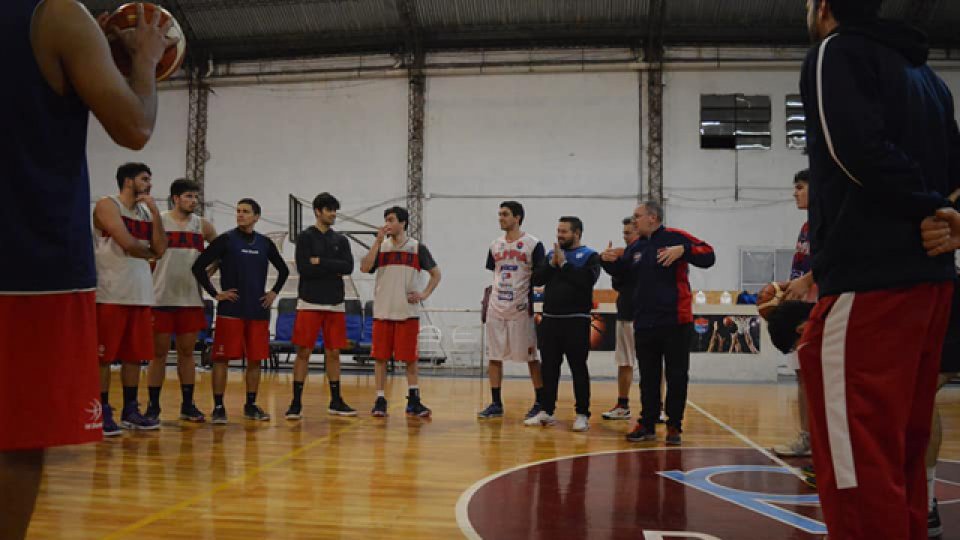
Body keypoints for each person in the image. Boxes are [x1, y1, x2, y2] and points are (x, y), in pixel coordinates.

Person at [1, 1, 174, 536]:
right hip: (26, 262)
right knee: (15, 434)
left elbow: (157, 248)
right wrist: (143, 58)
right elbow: (135, 124)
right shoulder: (54, 16)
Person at [800, 1, 960, 537]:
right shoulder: (929, 79)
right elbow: (954, 169)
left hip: (869, 285)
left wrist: (923, 205)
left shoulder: (835, 51)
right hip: (930, 284)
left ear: (823, 8)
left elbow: (855, 151)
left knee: (859, 468)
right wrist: (947, 212)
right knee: (902, 459)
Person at [602, 200, 715, 445]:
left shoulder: (675, 236)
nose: (634, 221)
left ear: (652, 217)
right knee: (649, 377)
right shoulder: (636, 247)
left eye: (637, 216)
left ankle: (674, 425)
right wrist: (607, 260)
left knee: (677, 375)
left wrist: (683, 251)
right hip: (644, 322)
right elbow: (622, 272)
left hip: (676, 320)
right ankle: (648, 423)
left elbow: (709, 255)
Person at [192, 199, 289, 424]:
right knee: (221, 359)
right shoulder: (225, 240)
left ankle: (251, 404)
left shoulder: (264, 243)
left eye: (246, 212)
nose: (240, 215)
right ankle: (218, 407)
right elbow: (198, 267)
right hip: (231, 310)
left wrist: (273, 292)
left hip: (257, 310)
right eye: (238, 211)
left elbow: (283, 270)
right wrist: (216, 294)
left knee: (255, 360)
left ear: (256, 216)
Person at [93, 162, 168, 435]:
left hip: (140, 293)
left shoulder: (146, 213)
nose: (149, 184)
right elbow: (127, 243)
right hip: (110, 292)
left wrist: (157, 213)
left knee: (134, 357)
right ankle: (100, 411)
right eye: (144, 179)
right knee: (103, 357)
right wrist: (150, 252)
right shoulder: (107, 204)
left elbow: (161, 247)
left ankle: (130, 410)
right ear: (128, 181)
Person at [146, 178, 217, 423]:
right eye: (188, 196)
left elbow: (221, 251)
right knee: (159, 354)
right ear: (176, 197)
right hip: (160, 297)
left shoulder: (203, 226)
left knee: (188, 353)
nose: (193, 201)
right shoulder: (159, 221)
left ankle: (188, 405)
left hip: (191, 299)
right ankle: (153, 407)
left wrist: (212, 269)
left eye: (196, 197)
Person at [359, 207, 441, 418]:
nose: (387, 223)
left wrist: (423, 294)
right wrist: (376, 242)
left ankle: (414, 400)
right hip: (383, 311)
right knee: (380, 358)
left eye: (391, 219)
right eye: (385, 219)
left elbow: (436, 274)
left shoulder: (416, 248)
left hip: (407, 312)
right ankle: (379, 399)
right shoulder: (382, 247)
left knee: (410, 359)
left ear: (403, 223)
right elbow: (364, 268)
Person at [525, 216, 600, 432]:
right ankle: (547, 411)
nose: (559, 235)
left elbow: (586, 282)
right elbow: (537, 279)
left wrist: (564, 265)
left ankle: (582, 414)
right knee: (549, 369)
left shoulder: (590, 256)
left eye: (564, 231)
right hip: (550, 320)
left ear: (577, 233)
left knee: (578, 369)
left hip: (577, 321)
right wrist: (552, 264)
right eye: (558, 231)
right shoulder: (551, 255)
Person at [285, 192, 356, 420]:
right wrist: (329, 267)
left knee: (334, 352)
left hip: (335, 303)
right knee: (303, 352)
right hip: (309, 302)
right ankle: (296, 402)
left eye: (335, 210)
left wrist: (321, 262)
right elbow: (305, 269)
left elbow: (348, 267)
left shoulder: (341, 240)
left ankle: (336, 400)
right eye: (329, 210)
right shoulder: (305, 237)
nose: (333, 214)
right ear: (318, 211)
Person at [477, 201, 547, 420]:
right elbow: (494, 272)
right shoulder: (495, 245)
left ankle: (540, 401)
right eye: (499, 214)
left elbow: (540, 275)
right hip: (497, 306)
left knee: (531, 357)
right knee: (494, 356)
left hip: (521, 307)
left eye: (505, 214)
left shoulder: (533, 244)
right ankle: (496, 403)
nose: (500, 218)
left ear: (517, 217)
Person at [771, 169, 815, 458]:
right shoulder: (807, 227)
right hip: (804, 306)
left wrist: (806, 284)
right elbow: (802, 270)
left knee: (819, 378)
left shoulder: (832, 221)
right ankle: (808, 437)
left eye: (800, 187)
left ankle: (824, 441)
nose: (794, 193)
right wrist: (787, 289)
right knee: (803, 376)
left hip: (824, 307)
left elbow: (835, 263)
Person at [601, 217, 641, 420]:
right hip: (626, 313)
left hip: (648, 316)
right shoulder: (622, 257)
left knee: (653, 364)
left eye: (628, 233)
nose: (624, 237)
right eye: (623, 233)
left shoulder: (648, 253)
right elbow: (618, 284)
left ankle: (658, 407)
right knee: (624, 362)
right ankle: (623, 405)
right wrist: (608, 262)